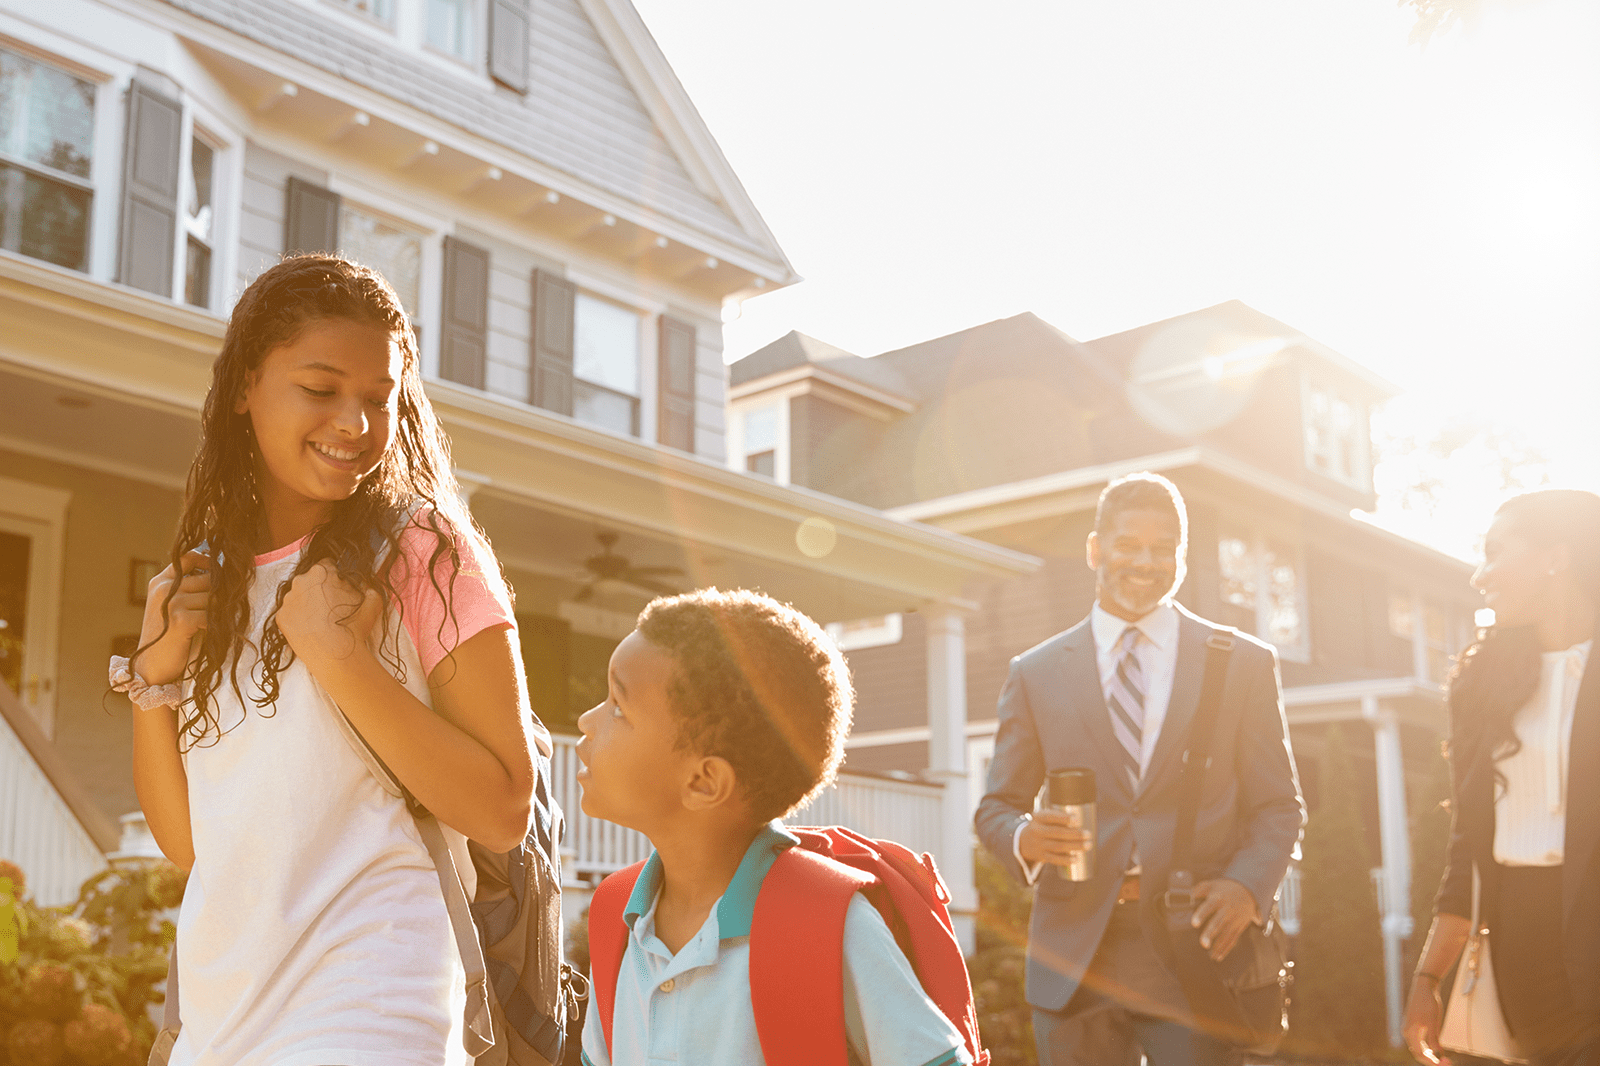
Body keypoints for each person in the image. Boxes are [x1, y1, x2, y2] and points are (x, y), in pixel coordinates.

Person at [115, 255, 547, 1066]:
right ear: (246, 383)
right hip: (220, 1016)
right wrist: (154, 680)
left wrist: (346, 663)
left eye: (380, 400)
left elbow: (501, 809)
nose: (356, 423)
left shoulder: (425, 553)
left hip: (373, 996)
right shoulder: (212, 575)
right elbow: (188, 843)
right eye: (322, 390)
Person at [974, 472, 1304, 1066]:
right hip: (1075, 958)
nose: (1146, 562)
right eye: (1128, 545)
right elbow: (995, 808)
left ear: (1182, 554)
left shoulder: (1241, 664)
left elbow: (1279, 807)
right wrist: (1024, 836)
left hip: (1195, 955)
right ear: (1096, 549)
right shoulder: (1037, 672)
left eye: (1164, 547)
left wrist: (1246, 887)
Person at [575, 587, 972, 1066]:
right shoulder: (615, 914)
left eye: (619, 706)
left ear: (703, 782)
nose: (586, 720)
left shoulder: (828, 922)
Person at [1404, 488, 1600, 1066]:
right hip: (1521, 958)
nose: (1480, 577)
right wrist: (1427, 979)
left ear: (1554, 557)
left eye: (1496, 553)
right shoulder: (1483, 684)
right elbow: (1467, 848)